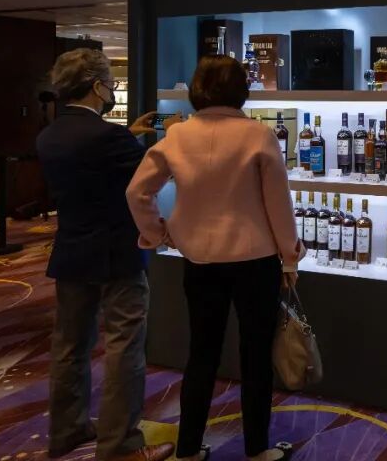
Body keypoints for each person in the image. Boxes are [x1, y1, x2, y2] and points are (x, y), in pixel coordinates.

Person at [127, 55, 302, 461]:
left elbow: (137, 192)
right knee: (256, 355)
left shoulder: (178, 136)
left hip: (200, 261)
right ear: (241, 90)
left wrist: (157, 233)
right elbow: (278, 204)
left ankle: (188, 449)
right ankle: (257, 449)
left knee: (201, 354)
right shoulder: (258, 135)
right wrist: (289, 257)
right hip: (255, 260)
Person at [37, 49, 179, 461]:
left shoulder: (50, 135)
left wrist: (129, 134)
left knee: (69, 347)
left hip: (71, 251)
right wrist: (175, 136)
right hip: (117, 254)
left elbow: (95, 165)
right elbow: (152, 173)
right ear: (98, 87)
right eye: (111, 84)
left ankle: (66, 430)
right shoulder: (107, 138)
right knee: (124, 348)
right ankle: (120, 445)